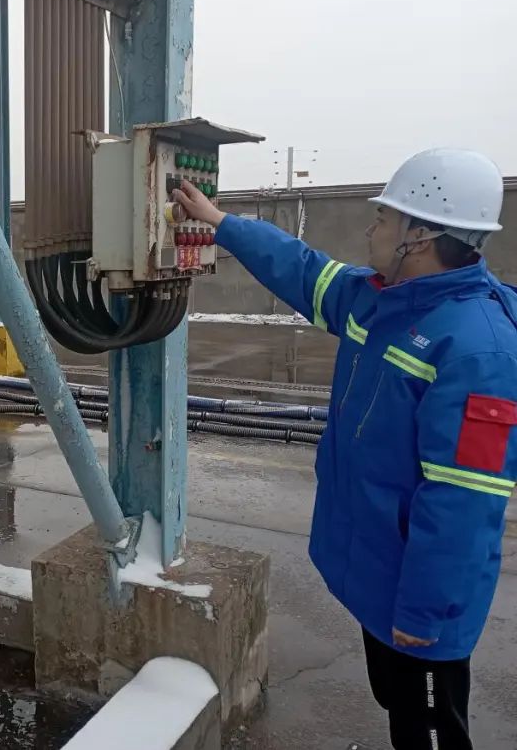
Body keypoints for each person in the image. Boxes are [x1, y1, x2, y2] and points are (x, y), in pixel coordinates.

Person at [172, 149, 516, 750]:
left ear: (418, 236)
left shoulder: (478, 351)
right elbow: (302, 269)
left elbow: (464, 502)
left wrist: (425, 613)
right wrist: (221, 222)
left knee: (429, 728)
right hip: (383, 577)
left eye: (383, 218)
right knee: (397, 705)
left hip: (419, 598)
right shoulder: (381, 299)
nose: (369, 230)